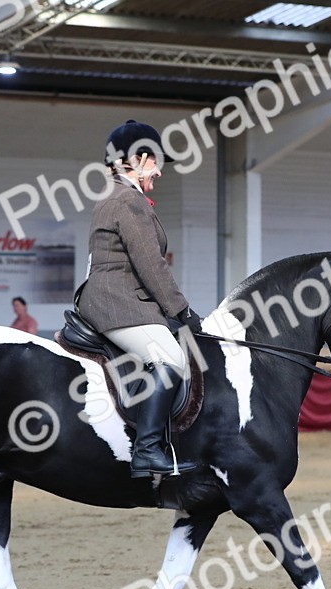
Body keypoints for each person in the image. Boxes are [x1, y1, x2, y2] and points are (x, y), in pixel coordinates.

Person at [77, 119, 202, 479]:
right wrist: (183, 310)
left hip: (118, 296)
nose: (160, 172)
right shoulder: (128, 200)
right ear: (140, 158)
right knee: (172, 358)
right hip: (116, 301)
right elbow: (151, 266)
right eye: (157, 162)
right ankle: (147, 449)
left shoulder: (116, 196)